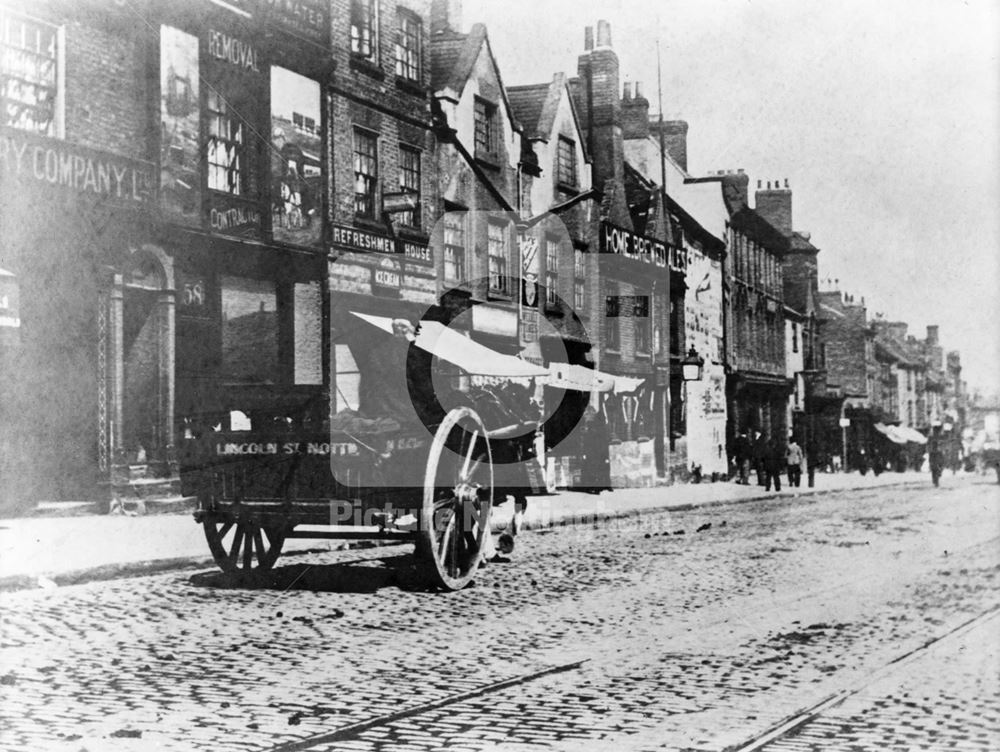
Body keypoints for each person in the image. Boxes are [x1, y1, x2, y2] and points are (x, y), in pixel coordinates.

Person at [577, 404, 612, 494]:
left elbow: (587, 441)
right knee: (598, 468)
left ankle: (593, 487)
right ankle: (599, 486)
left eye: (586, 414)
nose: (585, 416)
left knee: (591, 469)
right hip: (598, 451)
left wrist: (584, 452)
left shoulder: (589, 426)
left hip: (592, 451)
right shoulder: (597, 424)